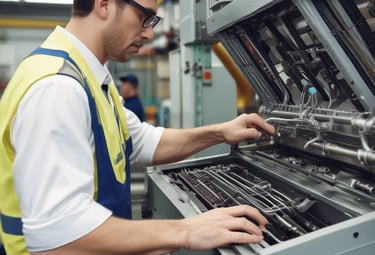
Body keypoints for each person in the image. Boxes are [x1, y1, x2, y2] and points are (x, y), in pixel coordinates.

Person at [0, 0, 275, 254]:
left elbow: (141, 141)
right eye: (145, 17)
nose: (148, 34)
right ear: (104, 4)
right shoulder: (57, 87)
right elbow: (60, 234)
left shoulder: (89, 74)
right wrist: (185, 230)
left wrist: (221, 132)